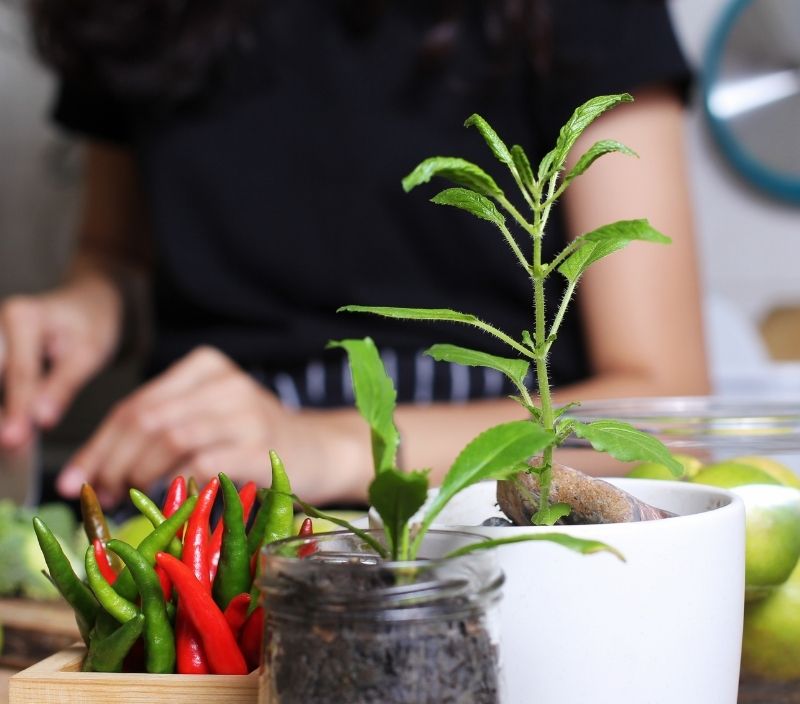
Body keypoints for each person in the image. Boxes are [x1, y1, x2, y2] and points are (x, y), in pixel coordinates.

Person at [0, 0, 708, 508]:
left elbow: (665, 410)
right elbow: (114, 249)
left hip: (477, 496)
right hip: (200, 486)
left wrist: (332, 447)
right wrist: (92, 302)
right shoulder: (130, 15)